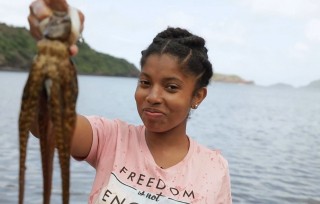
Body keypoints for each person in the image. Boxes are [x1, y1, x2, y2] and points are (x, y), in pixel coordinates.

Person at [28, 0, 232, 203]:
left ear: (197, 96)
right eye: (145, 82)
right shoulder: (111, 138)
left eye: (171, 87)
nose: (152, 96)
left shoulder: (213, 168)